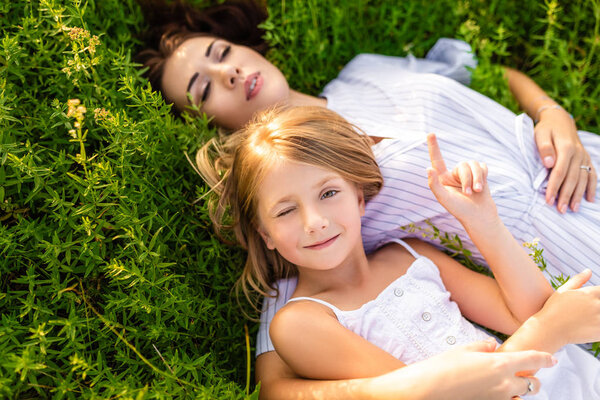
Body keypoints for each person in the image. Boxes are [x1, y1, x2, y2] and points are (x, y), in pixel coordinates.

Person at [135, 1, 600, 397]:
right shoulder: (310, 250)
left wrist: (551, 112)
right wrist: (549, 326)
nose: (229, 73)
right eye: (205, 87)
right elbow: (282, 387)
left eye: (221, 53)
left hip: (584, 164)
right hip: (568, 259)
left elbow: (492, 72)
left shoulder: (363, 74)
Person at [197, 105, 600, 399]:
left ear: (359, 197)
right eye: (286, 210)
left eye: (329, 193)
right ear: (264, 233)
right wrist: (553, 329)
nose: (314, 221)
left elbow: (525, 312)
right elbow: (442, 394)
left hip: (576, 378)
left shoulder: (409, 254)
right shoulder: (299, 323)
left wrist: (484, 222)